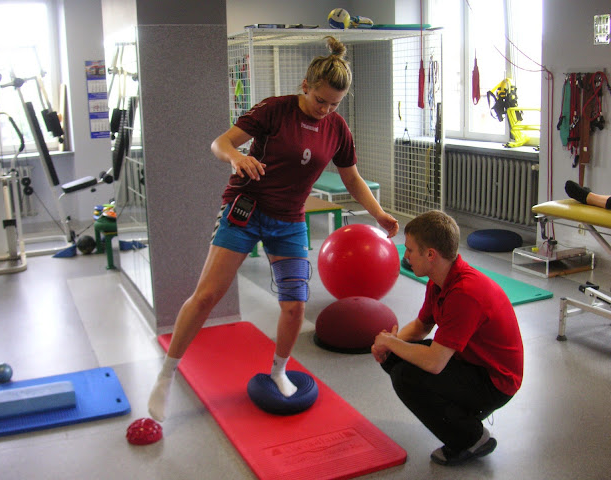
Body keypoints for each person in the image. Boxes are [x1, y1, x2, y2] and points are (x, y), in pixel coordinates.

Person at [148, 36, 399, 422]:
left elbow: (351, 178)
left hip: (290, 221)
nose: (325, 110)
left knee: (295, 305)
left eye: (334, 104)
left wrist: (378, 213)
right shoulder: (275, 110)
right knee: (207, 295)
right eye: (320, 100)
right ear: (306, 85)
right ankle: (166, 375)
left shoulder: (337, 128)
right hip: (245, 209)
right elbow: (220, 143)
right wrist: (235, 157)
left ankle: (279, 370)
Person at [372, 210, 523, 467]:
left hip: (495, 382)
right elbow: (421, 326)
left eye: (410, 250)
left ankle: (471, 438)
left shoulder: (465, 293)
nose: (406, 256)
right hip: (469, 361)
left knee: (405, 376)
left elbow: (434, 363)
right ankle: (460, 417)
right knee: (394, 358)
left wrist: (391, 342)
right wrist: (386, 345)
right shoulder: (439, 280)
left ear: (431, 255)